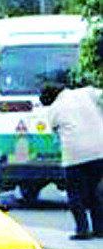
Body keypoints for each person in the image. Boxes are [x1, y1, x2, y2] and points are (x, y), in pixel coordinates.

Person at [41, 76, 103, 239]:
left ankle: (82, 230)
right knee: (96, 192)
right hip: (99, 152)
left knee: (76, 194)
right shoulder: (87, 93)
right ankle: (100, 229)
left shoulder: (53, 109)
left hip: (74, 156)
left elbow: (55, 132)